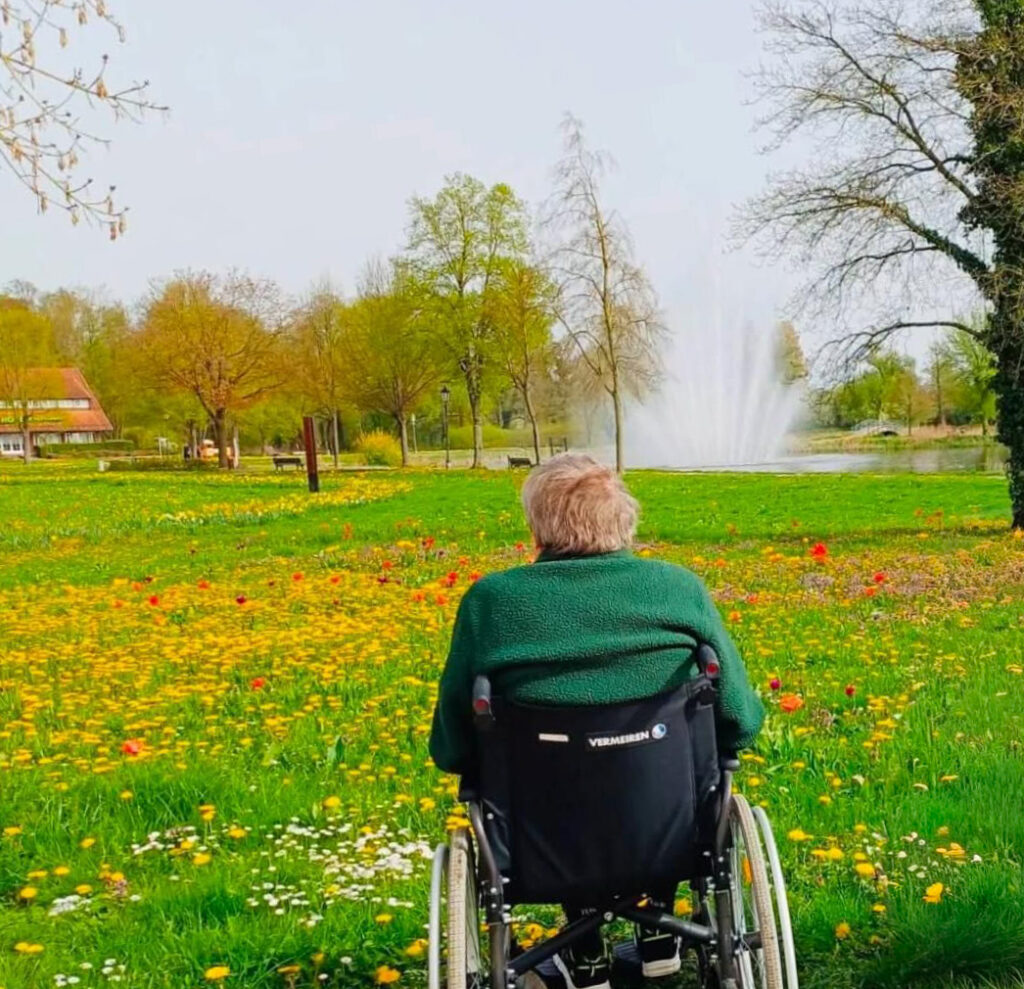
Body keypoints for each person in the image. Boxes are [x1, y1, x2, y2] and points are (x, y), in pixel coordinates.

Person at [429, 454, 765, 989]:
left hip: (541, 837)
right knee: (650, 771)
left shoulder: (491, 603)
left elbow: (451, 745)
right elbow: (740, 720)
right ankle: (659, 930)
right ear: (624, 519)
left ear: (537, 526)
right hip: (671, 829)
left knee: (564, 782)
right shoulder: (678, 590)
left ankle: (583, 954)